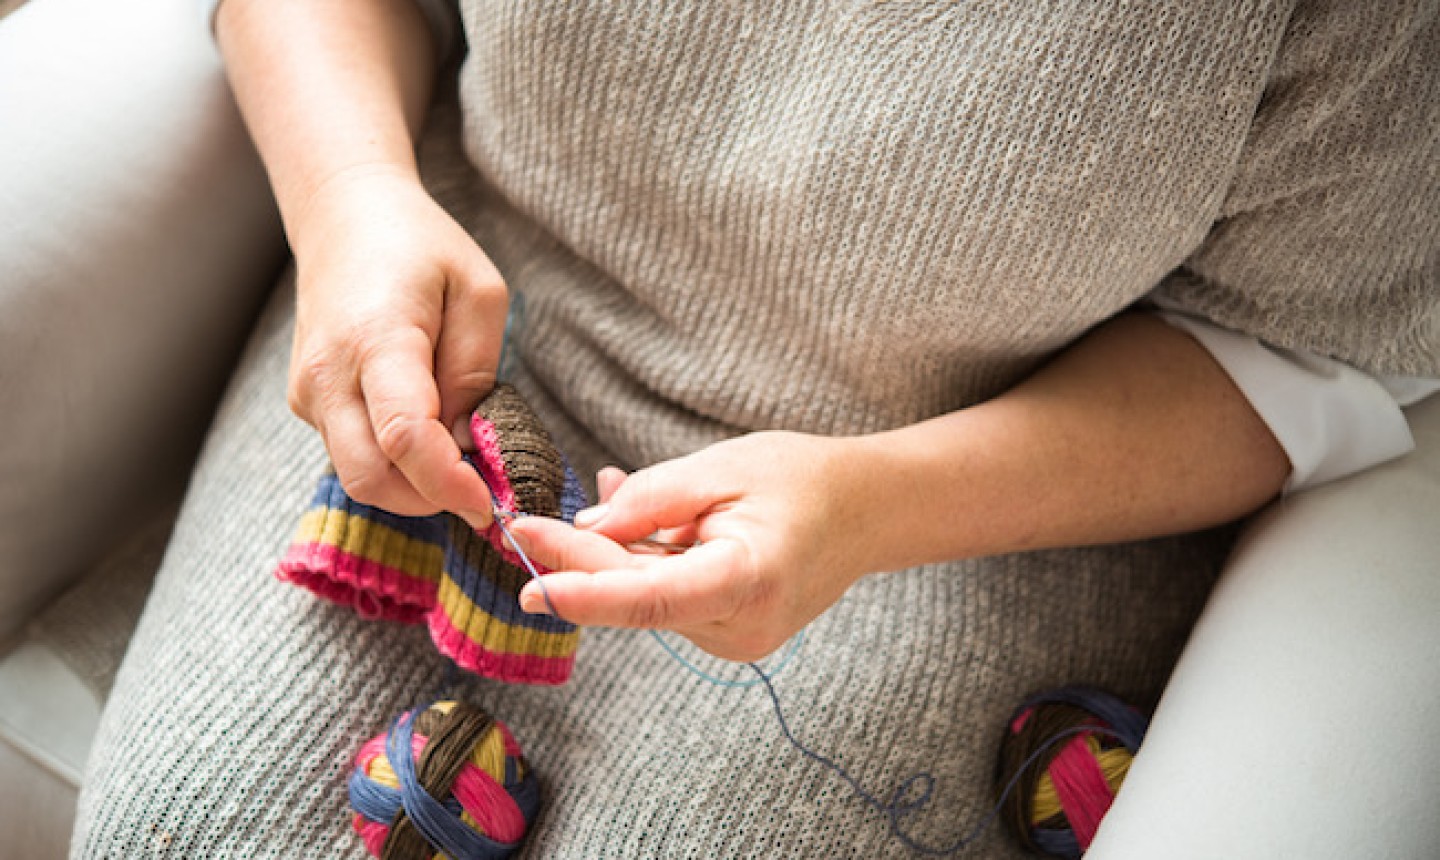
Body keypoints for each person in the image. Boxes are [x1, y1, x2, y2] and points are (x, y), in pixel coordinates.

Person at [74, 1, 1437, 857]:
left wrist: (876, 507)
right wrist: (351, 202)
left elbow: (1305, 351)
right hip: (472, 318)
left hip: (955, 495)